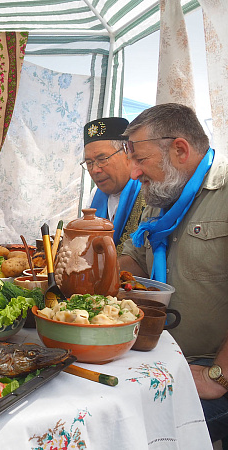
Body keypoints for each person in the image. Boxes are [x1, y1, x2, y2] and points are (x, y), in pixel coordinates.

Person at [119, 103, 228, 443]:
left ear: (180, 150)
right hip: (161, 360)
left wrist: (218, 377)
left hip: (211, 369)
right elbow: (135, 260)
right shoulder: (161, 196)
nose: (133, 172)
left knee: (136, 435)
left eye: (140, 159)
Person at [82, 117, 146, 253]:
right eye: (89, 163)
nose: (95, 170)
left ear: (127, 152)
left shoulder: (147, 192)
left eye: (102, 159)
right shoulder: (95, 195)